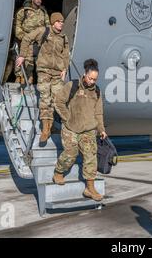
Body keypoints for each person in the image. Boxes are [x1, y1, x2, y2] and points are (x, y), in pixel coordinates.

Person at [52, 59, 108, 202]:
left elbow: (98, 113)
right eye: (90, 78)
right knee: (71, 153)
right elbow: (58, 101)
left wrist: (101, 129)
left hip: (88, 130)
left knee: (91, 157)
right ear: (85, 74)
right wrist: (66, 117)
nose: (92, 81)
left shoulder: (97, 91)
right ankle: (58, 172)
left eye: (95, 79)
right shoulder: (73, 86)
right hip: (71, 128)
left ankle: (90, 188)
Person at [16, 12, 70, 145]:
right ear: (53, 22)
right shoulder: (43, 31)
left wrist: (64, 69)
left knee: (59, 100)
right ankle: (46, 128)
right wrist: (22, 55)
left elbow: (65, 55)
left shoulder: (64, 38)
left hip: (57, 73)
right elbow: (27, 38)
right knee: (45, 99)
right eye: (59, 21)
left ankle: (67, 127)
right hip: (44, 71)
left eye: (62, 22)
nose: (61, 24)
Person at [4, 0, 50, 84]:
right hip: (22, 40)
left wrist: (44, 38)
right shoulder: (23, 11)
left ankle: (29, 81)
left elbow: (47, 26)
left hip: (36, 43)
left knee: (30, 63)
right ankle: (18, 80)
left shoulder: (43, 12)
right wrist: (23, 36)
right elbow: (16, 25)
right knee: (18, 61)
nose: (39, 1)